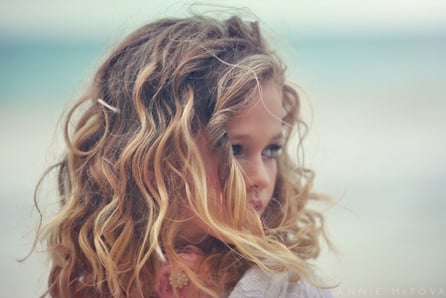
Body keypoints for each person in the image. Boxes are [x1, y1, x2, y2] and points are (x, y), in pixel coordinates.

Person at [32, 11, 332, 298]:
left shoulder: (284, 286)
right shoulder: (96, 281)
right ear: (153, 155)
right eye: (235, 149)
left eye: (271, 150)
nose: (262, 178)